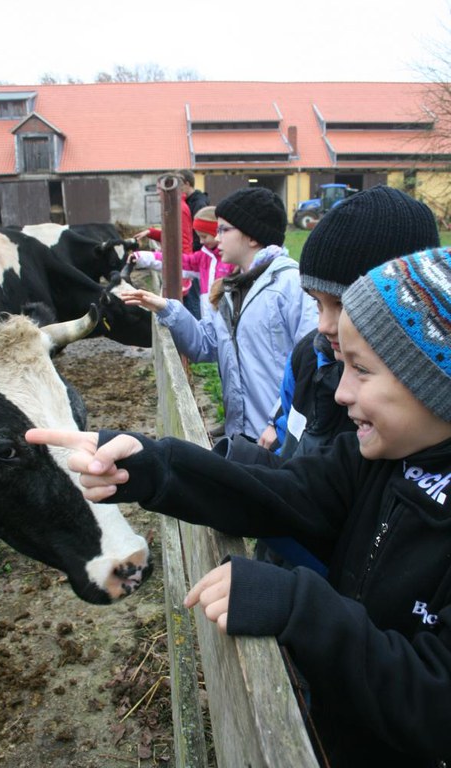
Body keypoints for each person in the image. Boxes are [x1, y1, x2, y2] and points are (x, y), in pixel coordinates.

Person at [27, 246, 451, 768]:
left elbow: (436, 703)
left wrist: (300, 606)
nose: (341, 392)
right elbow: (283, 493)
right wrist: (156, 465)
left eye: (362, 370)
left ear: (434, 383)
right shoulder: (382, 458)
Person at [211, 185, 441, 569]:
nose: (325, 325)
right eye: (316, 303)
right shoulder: (308, 356)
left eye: (343, 304)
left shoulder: (414, 416)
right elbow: (295, 451)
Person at [122, 186, 317, 441]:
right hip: (245, 437)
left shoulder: (291, 286)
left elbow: (312, 362)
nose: (217, 237)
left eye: (224, 229)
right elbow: (206, 344)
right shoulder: (231, 290)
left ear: (252, 237)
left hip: (281, 439)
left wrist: (277, 423)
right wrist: (167, 308)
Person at [130, 205, 235, 318]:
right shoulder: (204, 256)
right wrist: (143, 257)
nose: (201, 241)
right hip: (210, 320)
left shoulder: (232, 260)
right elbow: (179, 262)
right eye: (199, 236)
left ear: (217, 233)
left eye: (204, 236)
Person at [132, 175, 198, 316]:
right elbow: (171, 235)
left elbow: (182, 240)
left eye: (159, 189)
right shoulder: (174, 207)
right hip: (181, 266)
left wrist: (180, 266)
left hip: (181, 268)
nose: (157, 193)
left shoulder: (178, 209)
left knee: (188, 310)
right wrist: (150, 232)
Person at [177, 169, 210, 315]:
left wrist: (192, 255)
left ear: (187, 183)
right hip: (192, 256)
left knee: (194, 298)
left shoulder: (198, 203)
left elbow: (199, 235)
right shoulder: (189, 202)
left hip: (196, 257)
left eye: (179, 183)